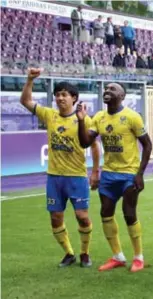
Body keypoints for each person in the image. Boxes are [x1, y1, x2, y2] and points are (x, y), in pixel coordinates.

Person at [19, 68, 100, 268]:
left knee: (82, 217)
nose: (60, 98)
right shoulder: (49, 115)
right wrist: (30, 79)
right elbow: (26, 101)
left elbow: (94, 146)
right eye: (57, 95)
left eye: (64, 94)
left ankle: (85, 253)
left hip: (77, 176)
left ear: (74, 98)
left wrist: (96, 170)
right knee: (56, 218)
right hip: (54, 177)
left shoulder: (84, 119)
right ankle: (69, 253)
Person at [77, 82, 153, 273]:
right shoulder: (99, 117)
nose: (107, 91)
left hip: (129, 173)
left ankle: (138, 257)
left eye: (113, 89)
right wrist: (80, 120)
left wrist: (140, 174)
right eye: (106, 89)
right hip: (109, 174)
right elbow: (85, 142)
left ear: (122, 96)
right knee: (105, 213)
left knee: (129, 214)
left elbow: (148, 145)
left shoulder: (132, 117)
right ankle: (118, 256)